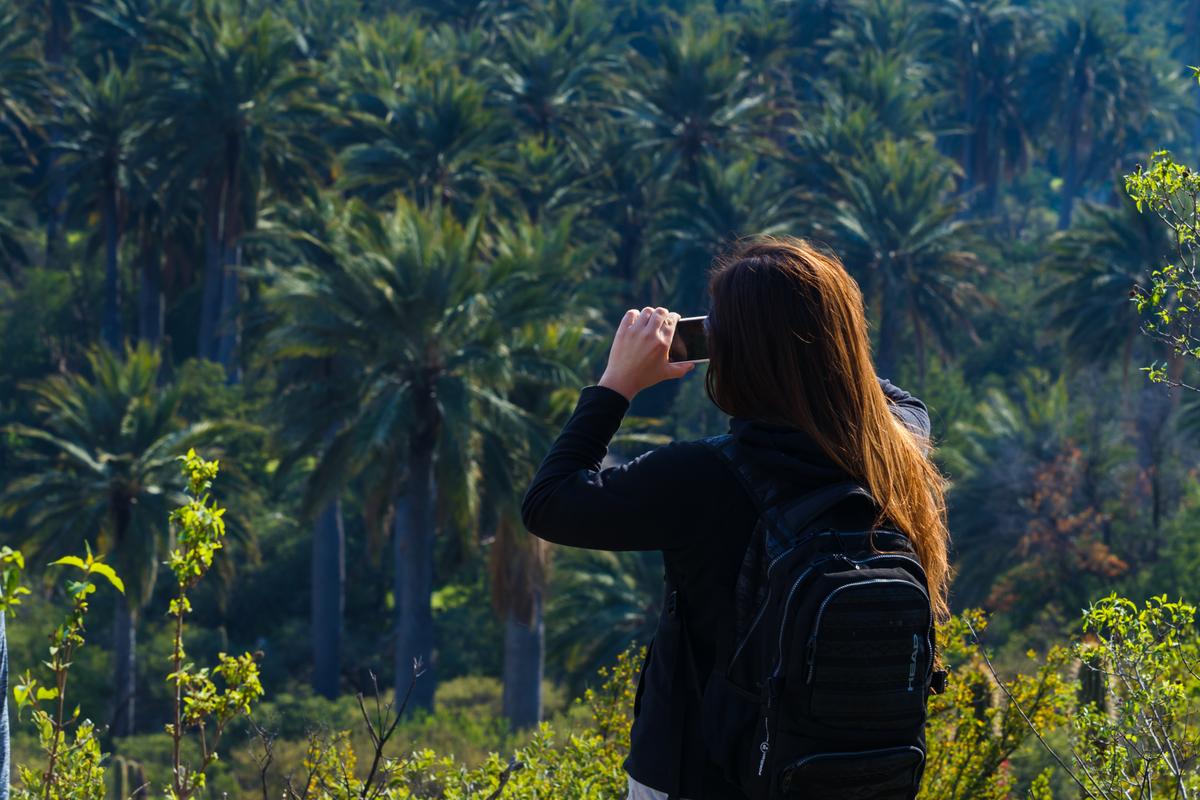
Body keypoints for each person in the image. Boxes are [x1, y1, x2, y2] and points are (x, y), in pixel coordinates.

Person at [521, 236, 951, 800]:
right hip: (860, 777)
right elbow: (889, 397)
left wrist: (616, 383)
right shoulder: (896, 448)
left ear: (731, 353)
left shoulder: (698, 478)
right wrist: (823, 341)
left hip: (696, 778)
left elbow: (549, 502)